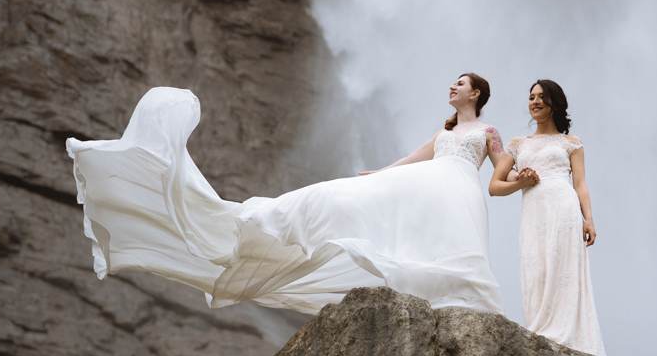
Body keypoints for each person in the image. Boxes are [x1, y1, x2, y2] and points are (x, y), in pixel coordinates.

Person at [67, 72, 510, 316]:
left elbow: (501, 162)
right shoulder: (444, 131)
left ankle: (456, 292)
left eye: (460, 83)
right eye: (450, 81)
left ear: (476, 93)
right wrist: (378, 173)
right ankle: (261, 223)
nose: (451, 86)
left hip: (461, 188)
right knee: (352, 200)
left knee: (451, 239)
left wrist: (520, 173)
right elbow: (414, 158)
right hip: (432, 181)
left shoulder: (487, 132)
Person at [490, 78, 605, 356]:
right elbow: (494, 186)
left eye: (541, 97)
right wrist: (521, 184)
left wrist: (588, 219)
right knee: (536, 266)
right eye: (531, 97)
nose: (535, 101)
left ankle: (570, 337)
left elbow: (580, 184)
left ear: (554, 102)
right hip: (534, 211)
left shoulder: (571, 144)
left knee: (562, 266)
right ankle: (541, 331)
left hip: (563, 208)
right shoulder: (519, 145)